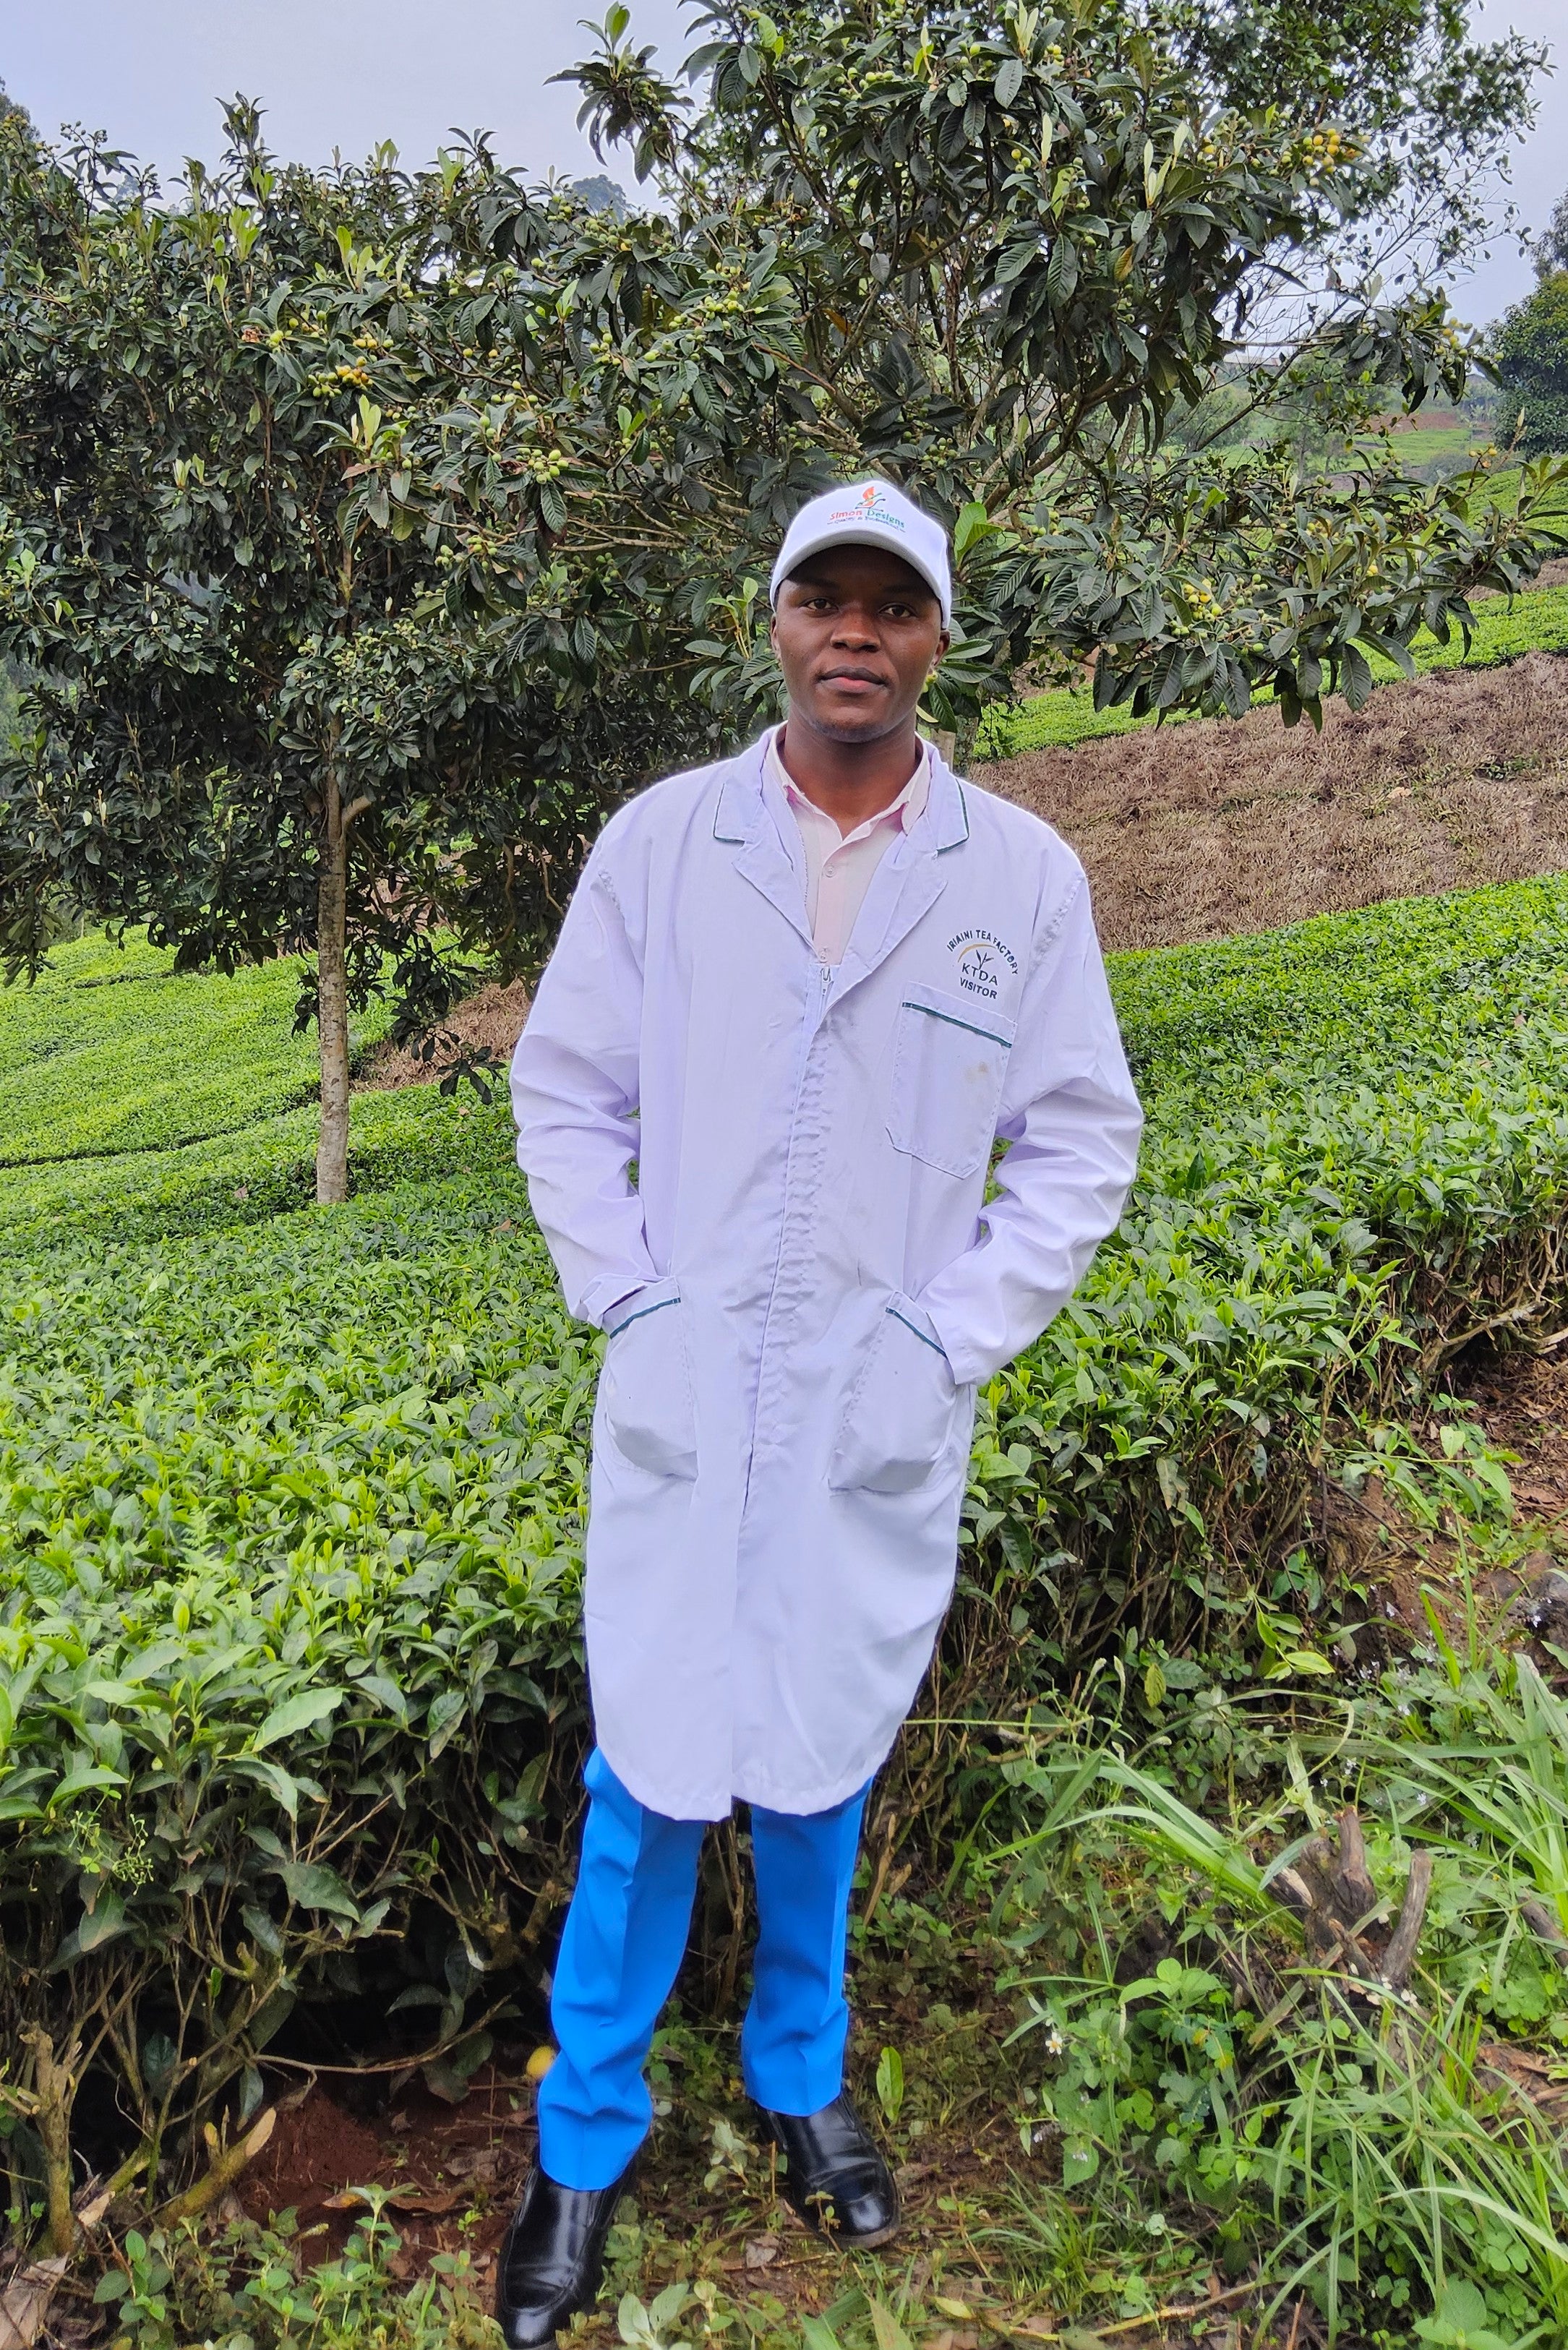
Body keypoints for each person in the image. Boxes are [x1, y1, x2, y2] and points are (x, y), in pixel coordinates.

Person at [502, 479, 1143, 2346]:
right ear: (769, 620)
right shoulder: (660, 842)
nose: (853, 630)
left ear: (938, 637)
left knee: (819, 1757)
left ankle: (801, 2078)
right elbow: (563, 1087)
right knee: (647, 1763)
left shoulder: (1015, 874)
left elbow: (1081, 1135)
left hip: (875, 1396)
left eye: (893, 604)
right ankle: (582, 2137)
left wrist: (952, 1334)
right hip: (689, 1388)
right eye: (821, 595)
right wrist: (626, 1292)